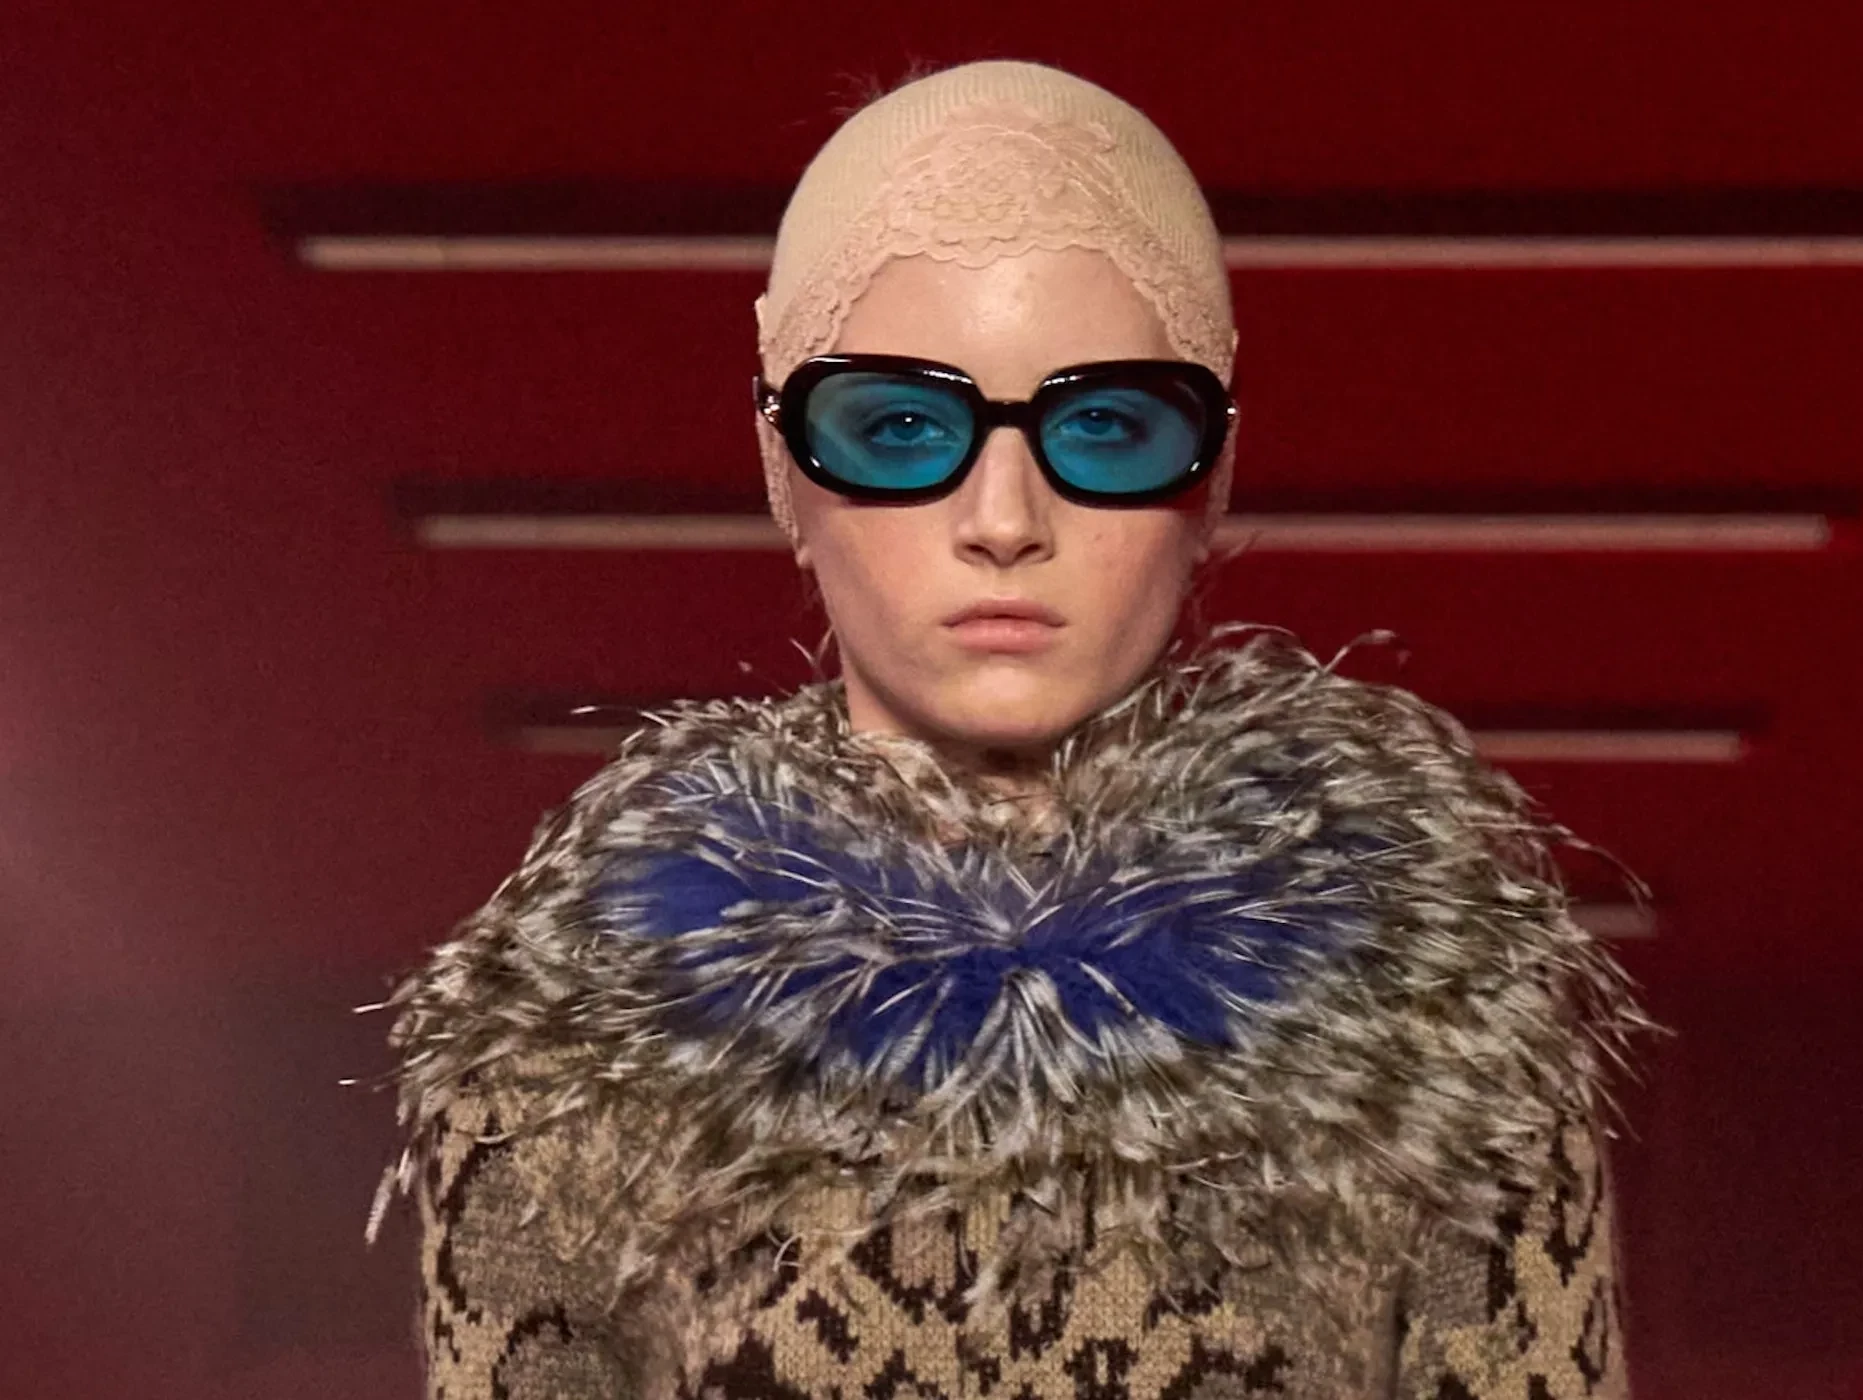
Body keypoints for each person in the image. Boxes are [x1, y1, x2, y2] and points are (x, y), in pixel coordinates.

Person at [375, 59, 1645, 1400]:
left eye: (1104, 425)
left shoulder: (1435, 1025)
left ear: (1211, 473)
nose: (1002, 519)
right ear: (783, 468)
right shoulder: (580, 1050)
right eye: (898, 425)